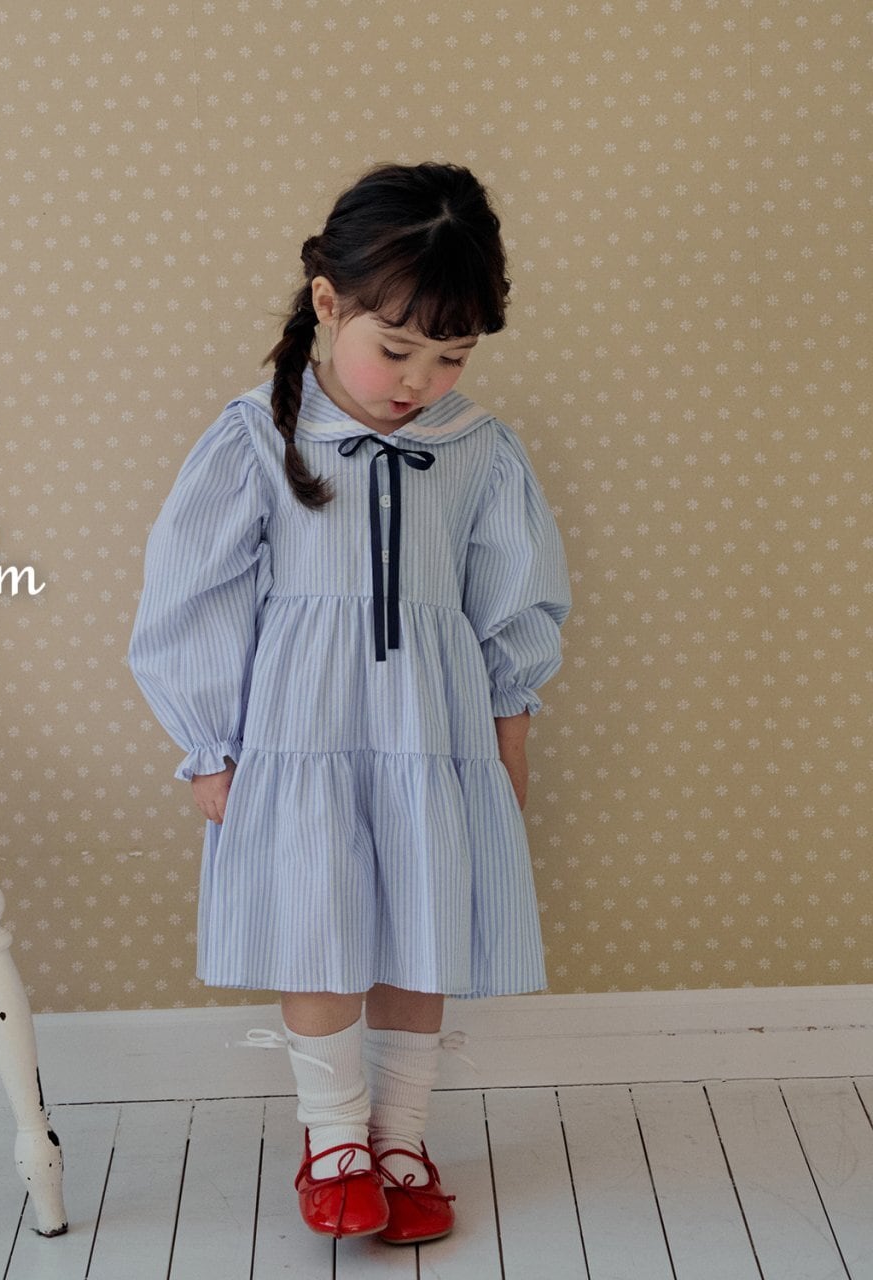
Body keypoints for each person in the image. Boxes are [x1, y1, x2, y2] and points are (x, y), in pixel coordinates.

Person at [128, 161, 572, 1245]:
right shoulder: (256, 436)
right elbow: (193, 595)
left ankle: (401, 1136)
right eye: (398, 348)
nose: (420, 380)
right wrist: (208, 745)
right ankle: (332, 1138)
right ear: (328, 304)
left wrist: (508, 742)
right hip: (302, 735)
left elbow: (512, 605)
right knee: (318, 932)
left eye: (451, 355)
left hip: (433, 734)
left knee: (422, 930)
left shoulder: (478, 451)